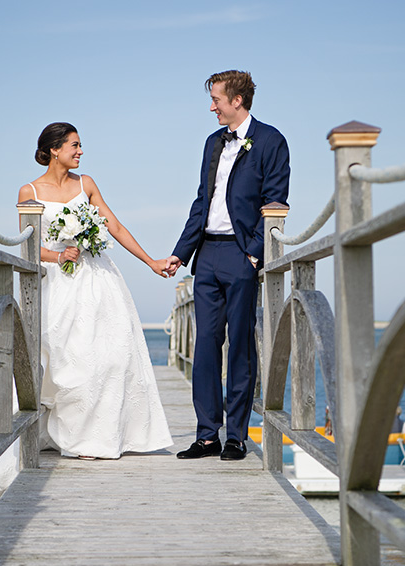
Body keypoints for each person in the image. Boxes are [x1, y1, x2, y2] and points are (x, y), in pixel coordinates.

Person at [17, 122, 173, 460]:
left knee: (111, 356)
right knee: (68, 364)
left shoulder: (85, 184)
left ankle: (97, 437)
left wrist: (150, 261)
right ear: (54, 149)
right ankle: (67, 432)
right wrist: (57, 256)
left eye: (80, 145)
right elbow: (27, 247)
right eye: (74, 145)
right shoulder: (29, 192)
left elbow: (113, 225)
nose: (80, 151)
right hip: (58, 284)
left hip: (98, 279)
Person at [165, 70, 290, 461]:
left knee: (240, 347)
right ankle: (207, 435)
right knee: (205, 345)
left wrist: (254, 254)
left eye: (217, 99)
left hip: (241, 256)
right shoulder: (212, 143)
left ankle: (236, 435)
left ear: (237, 100)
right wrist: (180, 253)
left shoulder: (271, 141)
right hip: (207, 256)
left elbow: (276, 202)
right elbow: (202, 200)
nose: (212, 106)